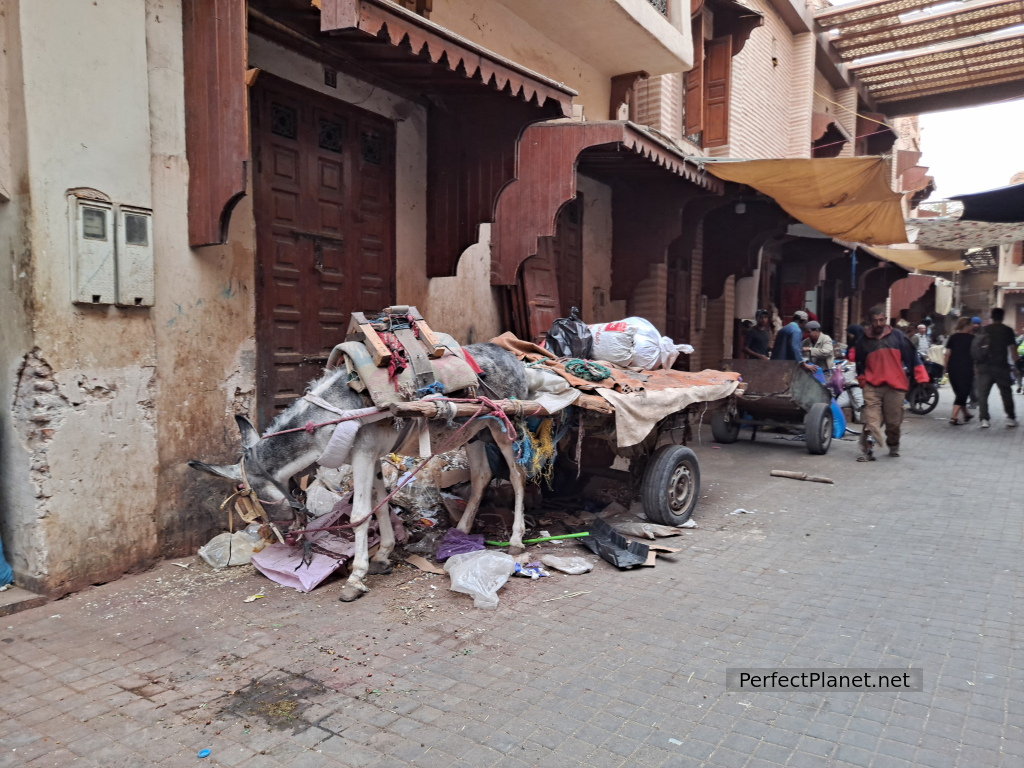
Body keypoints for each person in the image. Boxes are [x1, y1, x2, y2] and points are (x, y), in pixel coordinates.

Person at [853, 306, 929, 461]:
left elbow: (912, 357)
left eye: (881, 320)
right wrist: (862, 378)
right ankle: (868, 450)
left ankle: (893, 445)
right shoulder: (863, 340)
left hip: (895, 385)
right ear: (870, 322)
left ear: (886, 320)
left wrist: (921, 377)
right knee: (871, 420)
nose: (878, 324)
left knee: (893, 422)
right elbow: (859, 362)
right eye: (875, 321)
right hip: (872, 385)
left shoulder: (898, 337)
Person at [975, 307, 1019, 428]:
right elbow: (1013, 349)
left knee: (983, 394)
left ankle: (984, 419)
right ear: (1002, 317)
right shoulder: (1007, 330)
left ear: (991, 316)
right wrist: (1017, 365)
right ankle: (1010, 418)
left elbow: (976, 348)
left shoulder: (983, 330)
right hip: (1001, 366)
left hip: (984, 366)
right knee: (1006, 393)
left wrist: (975, 364)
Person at [943, 316, 976, 426]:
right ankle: (954, 417)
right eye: (971, 324)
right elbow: (975, 355)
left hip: (953, 368)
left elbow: (947, 354)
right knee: (963, 392)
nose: (973, 326)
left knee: (959, 392)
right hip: (967, 368)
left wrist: (945, 366)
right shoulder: (973, 339)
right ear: (967, 326)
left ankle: (966, 414)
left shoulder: (952, 337)